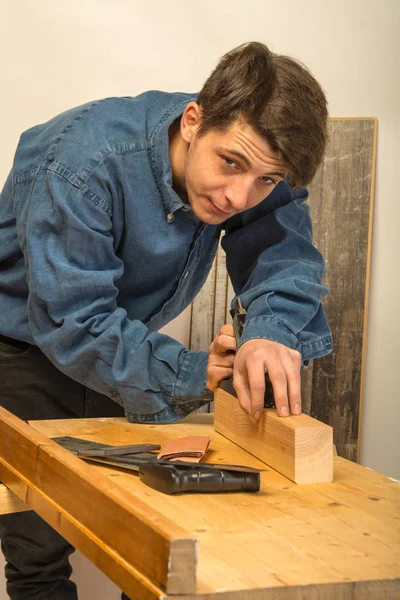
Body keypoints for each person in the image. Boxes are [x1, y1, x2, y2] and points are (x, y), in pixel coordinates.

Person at [0, 41, 332, 599]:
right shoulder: (82, 163)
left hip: (120, 344)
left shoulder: (254, 152)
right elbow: (74, 321)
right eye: (230, 164)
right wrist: (192, 372)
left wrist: (269, 335)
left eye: (266, 181)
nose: (238, 196)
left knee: (154, 540)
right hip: (25, 349)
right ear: (194, 119)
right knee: (40, 550)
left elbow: (285, 259)